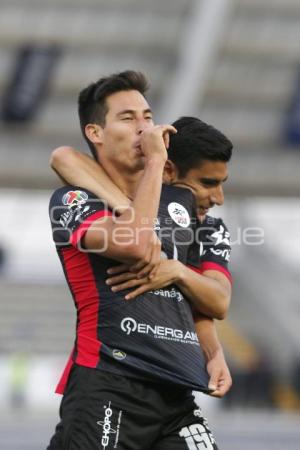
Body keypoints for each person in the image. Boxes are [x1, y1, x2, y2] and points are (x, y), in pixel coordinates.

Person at [48, 71, 232, 450]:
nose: (144, 128)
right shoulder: (73, 202)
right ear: (96, 133)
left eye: (148, 117)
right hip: (108, 382)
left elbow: (209, 301)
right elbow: (134, 243)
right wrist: (148, 171)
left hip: (174, 391)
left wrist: (212, 352)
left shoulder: (182, 205)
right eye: (128, 118)